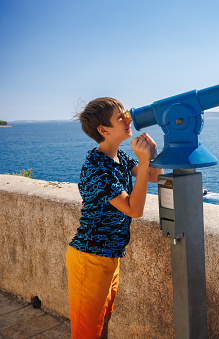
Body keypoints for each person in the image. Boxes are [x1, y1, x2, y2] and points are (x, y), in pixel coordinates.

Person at [66, 97, 163, 338]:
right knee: (87, 331)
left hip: (110, 255)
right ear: (103, 130)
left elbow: (152, 176)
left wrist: (152, 154)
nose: (128, 119)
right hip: (90, 257)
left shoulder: (119, 158)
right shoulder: (97, 165)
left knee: (103, 319)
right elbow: (134, 209)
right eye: (120, 117)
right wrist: (143, 160)